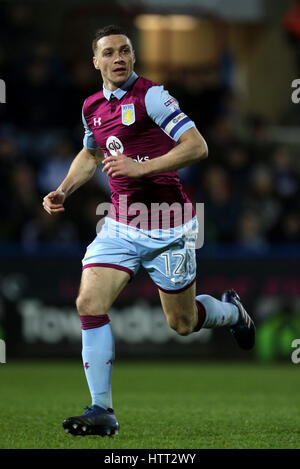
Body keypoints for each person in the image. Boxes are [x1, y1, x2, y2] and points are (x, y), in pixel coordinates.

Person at [43, 25, 255, 438]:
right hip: (121, 223)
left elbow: (198, 146)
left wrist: (142, 167)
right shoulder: (91, 107)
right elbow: (91, 152)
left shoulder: (153, 97)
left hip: (169, 226)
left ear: (134, 56)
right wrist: (64, 189)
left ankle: (232, 311)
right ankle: (101, 410)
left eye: (125, 50)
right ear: (96, 62)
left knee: (182, 324)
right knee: (88, 301)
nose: (118, 58)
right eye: (109, 52)